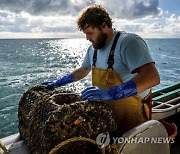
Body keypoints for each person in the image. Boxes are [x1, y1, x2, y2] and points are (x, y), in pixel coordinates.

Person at [42, 4, 160, 134]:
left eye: (90, 33)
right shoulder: (93, 49)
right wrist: (58, 83)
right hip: (106, 119)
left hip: (133, 121)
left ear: (104, 26)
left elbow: (152, 77)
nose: (87, 38)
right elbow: (83, 70)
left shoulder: (128, 42)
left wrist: (111, 93)